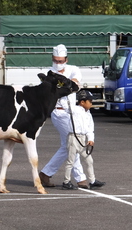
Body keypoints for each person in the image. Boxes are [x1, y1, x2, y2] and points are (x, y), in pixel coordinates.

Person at [39, 44, 89, 189]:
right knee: (72, 143)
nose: (58, 63)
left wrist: (67, 84)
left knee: (68, 145)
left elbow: (75, 85)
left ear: (66, 59)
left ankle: (46, 174)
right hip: (58, 112)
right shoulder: (49, 74)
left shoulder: (73, 69)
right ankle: (81, 178)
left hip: (72, 111)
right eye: (55, 60)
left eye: (60, 61)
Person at [63, 90, 105, 189]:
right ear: (82, 102)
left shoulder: (88, 114)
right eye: (90, 101)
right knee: (70, 161)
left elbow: (90, 129)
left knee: (89, 160)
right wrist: (67, 94)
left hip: (83, 140)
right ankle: (66, 181)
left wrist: (91, 139)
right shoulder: (75, 110)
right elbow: (66, 107)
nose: (91, 103)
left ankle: (93, 181)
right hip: (73, 137)